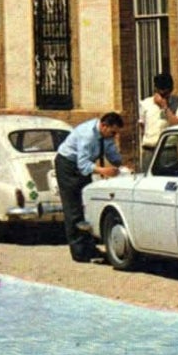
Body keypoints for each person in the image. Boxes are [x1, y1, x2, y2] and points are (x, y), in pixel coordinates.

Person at [54, 111, 123, 262]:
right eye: (112, 132)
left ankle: (90, 247)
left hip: (84, 167)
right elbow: (83, 164)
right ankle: (79, 252)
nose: (113, 136)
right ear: (104, 126)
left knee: (87, 206)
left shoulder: (107, 136)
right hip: (68, 165)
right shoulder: (87, 135)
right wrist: (103, 170)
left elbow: (112, 154)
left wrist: (122, 166)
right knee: (74, 208)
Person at [138, 71, 178, 171]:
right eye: (161, 93)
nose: (163, 97)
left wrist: (165, 107)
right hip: (149, 149)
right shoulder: (145, 103)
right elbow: (142, 126)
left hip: (168, 150)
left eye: (166, 94)